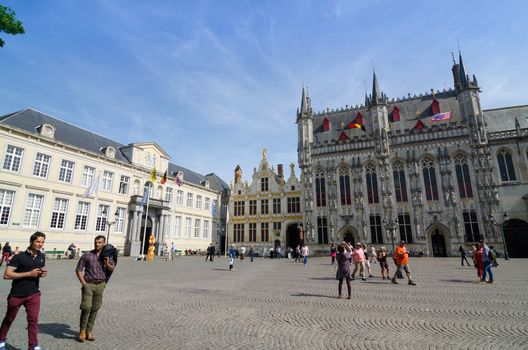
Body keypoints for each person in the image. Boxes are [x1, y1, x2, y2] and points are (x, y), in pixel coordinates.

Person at [0, 231, 47, 350]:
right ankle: (1, 339)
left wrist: (41, 274)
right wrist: (29, 274)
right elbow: (7, 275)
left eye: (42, 242)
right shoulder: (18, 257)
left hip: (34, 294)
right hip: (17, 294)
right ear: (31, 242)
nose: (40, 244)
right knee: (9, 319)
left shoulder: (41, 256)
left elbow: (37, 271)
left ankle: (33, 345)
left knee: (33, 320)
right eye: (38, 241)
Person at [75, 235, 115, 342]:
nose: (97, 244)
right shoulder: (87, 255)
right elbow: (78, 270)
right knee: (86, 307)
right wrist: (83, 283)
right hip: (88, 284)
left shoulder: (108, 256)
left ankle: (89, 331)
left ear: (104, 243)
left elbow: (112, 268)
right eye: (96, 242)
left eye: (99, 242)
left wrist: (107, 263)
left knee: (95, 308)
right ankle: (82, 331)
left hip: (100, 285)